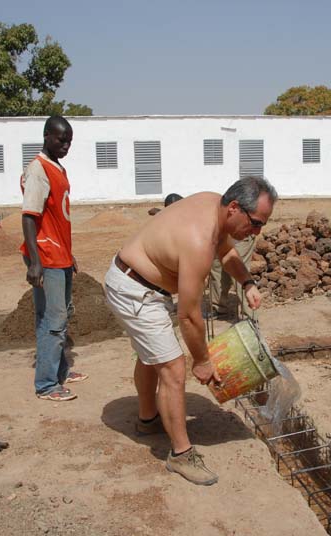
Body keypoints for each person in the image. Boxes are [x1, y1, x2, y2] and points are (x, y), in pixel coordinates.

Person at [104, 176, 277, 485]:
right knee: (173, 367)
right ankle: (181, 455)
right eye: (255, 223)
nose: (256, 232)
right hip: (133, 289)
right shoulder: (199, 239)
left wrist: (247, 282)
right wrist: (202, 361)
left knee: (151, 356)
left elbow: (226, 254)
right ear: (234, 208)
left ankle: (147, 420)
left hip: (139, 283)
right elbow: (189, 316)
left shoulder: (215, 204)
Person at [21, 116, 88, 402]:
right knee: (53, 318)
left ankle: (59, 370)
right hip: (46, 257)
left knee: (57, 315)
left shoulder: (57, 168)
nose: (66, 145)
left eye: (69, 141)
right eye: (61, 139)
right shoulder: (39, 169)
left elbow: (56, 219)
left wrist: (68, 253)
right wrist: (35, 261)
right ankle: (47, 384)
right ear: (47, 135)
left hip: (59, 255)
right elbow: (29, 216)